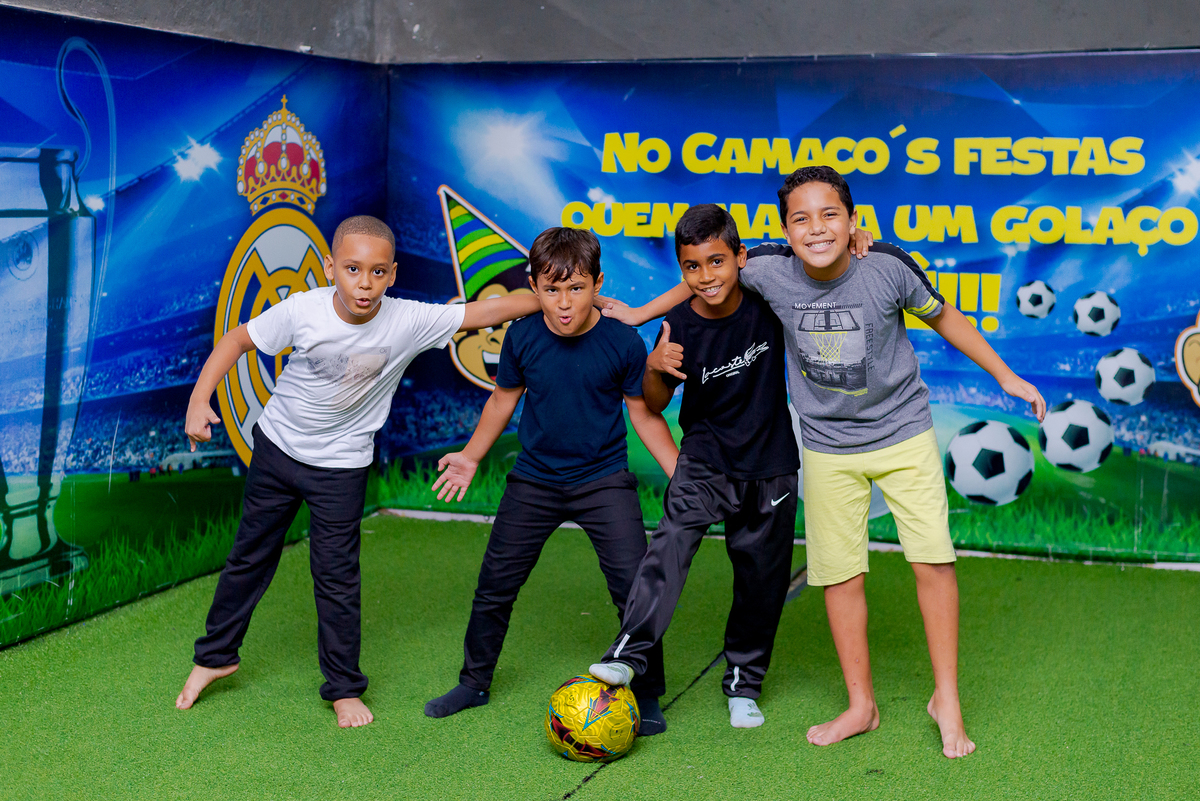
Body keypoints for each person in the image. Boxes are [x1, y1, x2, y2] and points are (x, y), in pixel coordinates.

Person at [598, 167, 1045, 759]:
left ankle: (948, 699)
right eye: (801, 219)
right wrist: (637, 315)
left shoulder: (886, 265)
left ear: (854, 221)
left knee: (933, 563)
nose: (816, 228)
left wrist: (1005, 375)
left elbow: (944, 316)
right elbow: (704, 275)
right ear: (784, 232)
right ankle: (861, 705)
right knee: (839, 575)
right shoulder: (766, 267)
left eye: (830, 215)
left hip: (904, 434)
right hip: (829, 447)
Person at [175, 214, 543, 728]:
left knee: (336, 578)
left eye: (376, 272)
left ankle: (344, 688)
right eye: (352, 269)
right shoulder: (302, 310)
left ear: (392, 274)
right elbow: (237, 340)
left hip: (341, 468)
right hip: (278, 450)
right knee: (248, 559)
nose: (364, 283)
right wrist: (199, 399)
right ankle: (215, 657)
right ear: (331, 268)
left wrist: (552, 298)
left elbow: (488, 310)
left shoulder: (408, 319)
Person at [424, 227, 678, 734]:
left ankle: (647, 691)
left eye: (577, 288)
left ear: (597, 284)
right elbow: (503, 399)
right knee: (494, 585)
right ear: (534, 287)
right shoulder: (521, 336)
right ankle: (474, 682)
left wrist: (682, 474)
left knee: (634, 588)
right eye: (552, 289)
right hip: (534, 482)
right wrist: (471, 456)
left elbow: (642, 415)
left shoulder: (623, 341)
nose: (564, 303)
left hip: (603, 480)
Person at [587, 204, 800, 730]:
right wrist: (654, 367)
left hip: (771, 465)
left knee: (760, 579)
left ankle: (743, 684)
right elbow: (656, 402)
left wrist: (860, 237)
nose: (706, 276)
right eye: (692, 266)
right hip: (704, 462)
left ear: (740, 257)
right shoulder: (678, 322)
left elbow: (818, 254)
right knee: (669, 549)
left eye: (716, 261)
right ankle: (628, 655)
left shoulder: (767, 299)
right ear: (681, 269)